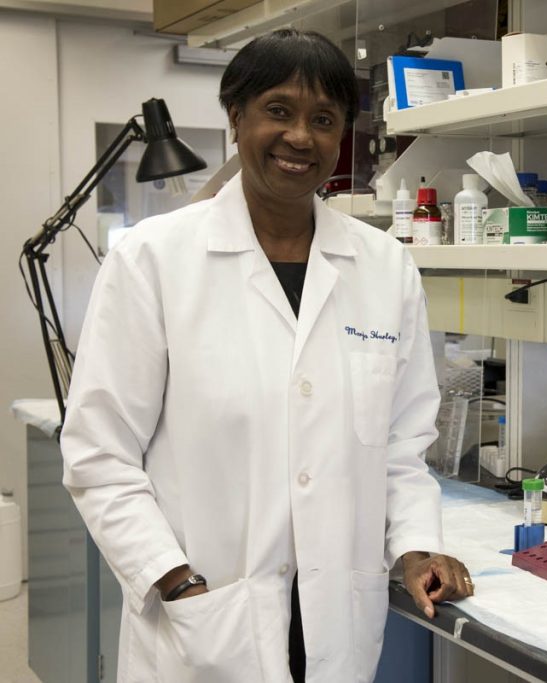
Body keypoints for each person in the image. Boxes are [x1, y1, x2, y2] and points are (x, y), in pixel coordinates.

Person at [61, 29, 472, 683]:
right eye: (278, 111)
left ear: (341, 137)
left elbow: (400, 449)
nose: (300, 137)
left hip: (335, 625)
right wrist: (175, 581)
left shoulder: (384, 266)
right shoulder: (153, 259)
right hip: (206, 624)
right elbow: (98, 456)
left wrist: (419, 547)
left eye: (323, 119)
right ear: (236, 119)